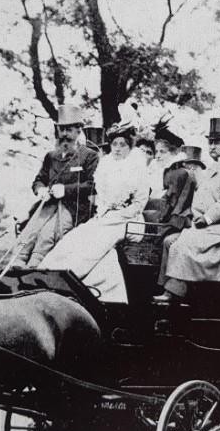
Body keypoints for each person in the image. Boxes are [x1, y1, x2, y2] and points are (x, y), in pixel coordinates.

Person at [39, 123, 149, 302]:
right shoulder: (106, 165)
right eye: (115, 144)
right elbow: (101, 197)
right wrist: (105, 212)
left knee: (96, 243)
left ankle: (72, 277)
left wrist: (115, 215)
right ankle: (52, 274)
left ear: (130, 147)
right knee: (76, 237)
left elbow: (139, 204)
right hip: (105, 217)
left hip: (129, 220)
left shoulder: (138, 167)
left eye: (123, 145)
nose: (118, 149)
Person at [154, 118, 220, 305]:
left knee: (182, 243)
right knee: (169, 241)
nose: (212, 146)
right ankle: (170, 290)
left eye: (217, 142)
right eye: (210, 142)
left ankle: (174, 292)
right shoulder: (212, 168)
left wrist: (207, 217)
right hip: (206, 225)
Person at [13, 105, 99, 269]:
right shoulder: (51, 156)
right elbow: (38, 180)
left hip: (75, 208)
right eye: (62, 130)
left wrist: (65, 190)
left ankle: (34, 266)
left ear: (78, 131)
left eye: (70, 130)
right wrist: (41, 190)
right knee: (31, 229)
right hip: (48, 204)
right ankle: (17, 261)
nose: (65, 134)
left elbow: (93, 185)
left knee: (48, 234)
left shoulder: (89, 155)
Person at [157, 145, 203, 235]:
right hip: (178, 219)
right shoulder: (182, 176)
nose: (192, 169)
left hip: (183, 221)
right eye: (189, 166)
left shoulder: (189, 178)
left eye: (195, 167)